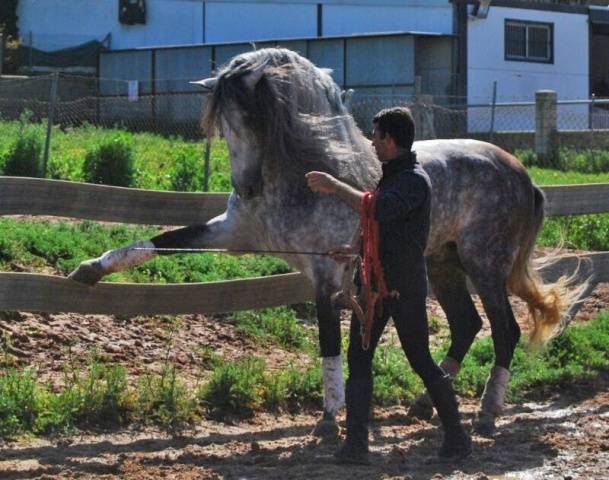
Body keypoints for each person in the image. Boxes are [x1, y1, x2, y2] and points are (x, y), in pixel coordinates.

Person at [306, 107, 472, 464]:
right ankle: (356, 445)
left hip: (403, 287)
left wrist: (335, 187)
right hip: (375, 285)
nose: (372, 142)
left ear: (390, 141)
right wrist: (353, 248)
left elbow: (377, 209)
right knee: (359, 358)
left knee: (421, 360)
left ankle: (457, 436)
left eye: (376, 135)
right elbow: (373, 219)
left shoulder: (413, 180)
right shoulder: (394, 175)